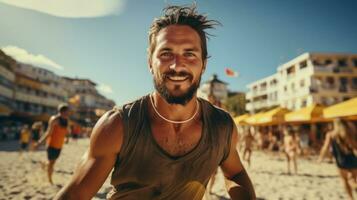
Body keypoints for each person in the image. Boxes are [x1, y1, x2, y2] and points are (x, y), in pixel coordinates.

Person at [54, 5, 255, 200]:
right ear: (151, 62)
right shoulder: (118, 125)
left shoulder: (221, 126)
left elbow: (235, 174)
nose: (177, 65)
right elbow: (75, 194)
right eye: (166, 53)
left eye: (190, 54)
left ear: (203, 64)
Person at [318, 119, 357, 200]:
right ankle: (355, 187)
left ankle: (350, 198)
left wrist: (320, 158)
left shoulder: (330, 135)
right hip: (353, 160)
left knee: (344, 180)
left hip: (341, 161)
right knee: (352, 179)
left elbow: (325, 148)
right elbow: (354, 147)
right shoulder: (349, 133)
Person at [34, 104, 71, 184]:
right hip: (51, 144)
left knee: (52, 162)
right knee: (51, 163)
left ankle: (44, 164)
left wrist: (67, 138)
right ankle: (50, 180)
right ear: (61, 111)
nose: (68, 114)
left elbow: (67, 131)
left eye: (68, 113)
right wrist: (40, 142)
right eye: (66, 112)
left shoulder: (66, 120)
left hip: (59, 145)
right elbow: (48, 132)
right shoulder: (54, 120)